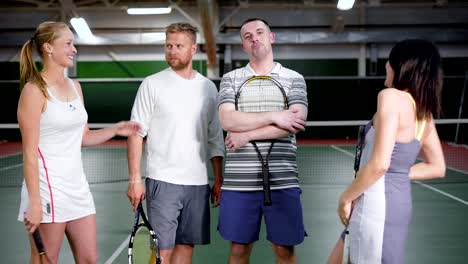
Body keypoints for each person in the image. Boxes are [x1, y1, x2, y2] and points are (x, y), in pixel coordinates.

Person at [17, 21, 141, 263]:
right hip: (46, 189)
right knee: (46, 259)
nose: (74, 49)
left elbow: (84, 137)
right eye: (68, 43)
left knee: (89, 259)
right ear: (48, 48)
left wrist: (116, 128)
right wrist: (34, 202)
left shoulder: (76, 87)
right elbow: (29, 153)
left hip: (78, 187)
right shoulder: (33, 91)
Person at [328, 39, 446, 264]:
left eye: (389, 61)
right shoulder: (423, 113)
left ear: (401, 66)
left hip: (376, 206)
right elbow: (438, 167)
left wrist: (345, 197)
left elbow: (380, 163)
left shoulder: (391, 96)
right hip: (394, 204)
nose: (386, 66)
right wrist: (398, 173)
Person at [126, 22, 224, 264]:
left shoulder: (208, 88)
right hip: (163, 181)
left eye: (179, 46)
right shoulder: (152, 84)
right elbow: (136, 133)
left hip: (198, 183)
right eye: (168, 45)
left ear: (193, 49)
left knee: (186, 248)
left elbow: (214, 137)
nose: (172, 51)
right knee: (162, 252)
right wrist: (135, 179)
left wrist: (218, 179)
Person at [217, 18, 308, 264]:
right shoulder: (230, 79)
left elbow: (295, 124)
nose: (254, 38)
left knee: (284, 250)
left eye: (259, 32)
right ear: (243, 45)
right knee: (238, 249)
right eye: (247, 36)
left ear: (271, 37)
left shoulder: (294, 79)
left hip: (283, 180)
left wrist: (246, 134)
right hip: (239, 183)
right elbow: (227, 120)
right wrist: (275, 116)